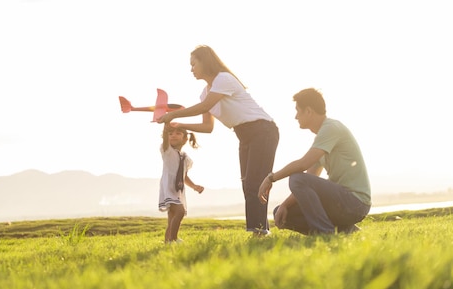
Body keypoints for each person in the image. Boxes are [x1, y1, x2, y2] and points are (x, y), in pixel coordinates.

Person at [157, 45, 279, 236]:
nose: (191, 69)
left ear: (205, 62)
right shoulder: (205, 93)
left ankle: (260, 232)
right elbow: (208, 127)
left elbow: (204, 107)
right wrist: (179, 124)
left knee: (255, 182)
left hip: (262, 131)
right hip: (244, 134)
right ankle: (259, 229)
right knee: (248, 183)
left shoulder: (223, 79)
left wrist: (173, 115)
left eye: (193, 64)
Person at [258, 88, 371, 235]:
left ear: (309, 111)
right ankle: (346, 230)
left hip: (356, 203)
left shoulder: (331, 128)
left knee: (297, 178)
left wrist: (271, 178)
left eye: (298, 110)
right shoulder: (322, 139)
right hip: (342, 203)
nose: (295, 116)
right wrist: (284, 205)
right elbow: (310, 178)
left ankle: (325, 232)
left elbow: (303, 165)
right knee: (280, 212)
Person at [159, 124, 204, 243]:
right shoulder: (167, 151)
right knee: (180, 211)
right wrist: (166, 122)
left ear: (185, 139)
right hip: (168, 188)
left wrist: (194, 186)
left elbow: (184, 176)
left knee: (172, 217)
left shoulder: (185, 158)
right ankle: (173, 239)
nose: (173, 135)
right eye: (170, 133)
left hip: (178, 190)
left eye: (178, 133)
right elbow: (165, 136)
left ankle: (167, 242)